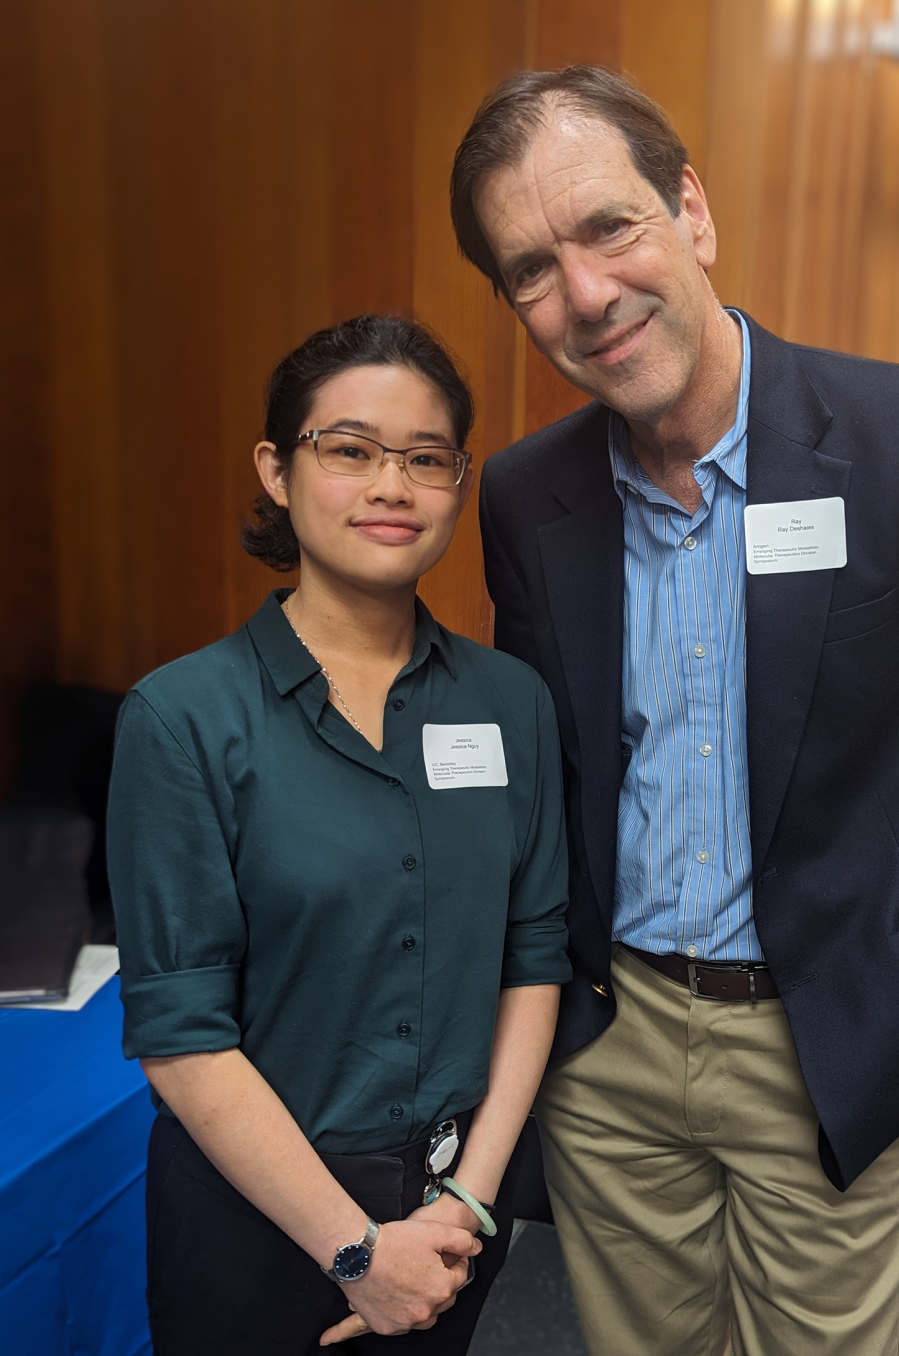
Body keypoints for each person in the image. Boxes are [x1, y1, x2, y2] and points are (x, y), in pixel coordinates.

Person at [449, 66, 899, 1356]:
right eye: (532, 269)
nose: (588, 294)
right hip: (612, 1051)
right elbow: (558, 777)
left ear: (692, 211)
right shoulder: (526, 495)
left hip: (831, 1029)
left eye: (609, 227)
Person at [106, 314, 570, 1355]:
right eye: (350, 451)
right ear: (277, 470)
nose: (391, 487)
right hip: (258, 1216)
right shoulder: (183, 717)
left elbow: (532, 962)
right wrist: (358, 1254)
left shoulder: (512, 705)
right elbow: (181, 1041)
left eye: (426, 459)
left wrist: (467, 1209)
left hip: (448, 1219)